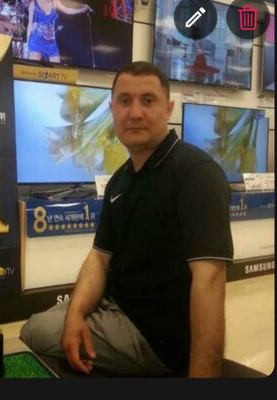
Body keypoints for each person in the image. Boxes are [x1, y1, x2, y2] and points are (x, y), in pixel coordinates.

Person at [20, 61, 234, 377]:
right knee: (55, 321)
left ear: (168, 108)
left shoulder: (196, 174)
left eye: (148, 100)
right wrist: (76, 314)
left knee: (33, 331)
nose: (135, 113)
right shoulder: (121, 180)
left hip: (155, 337)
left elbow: (210, 280)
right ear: (112, 110)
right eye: (124, 101)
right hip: (117, 305)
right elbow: (99, 258)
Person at [26, 0, 92, 62]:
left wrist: (80, 10)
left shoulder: (55, 2)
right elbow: (30, 24)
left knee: (56, 68)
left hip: (51, 43)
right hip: (37, 41)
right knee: (34, 67)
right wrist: (27, 45)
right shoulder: (33, 4)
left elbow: (67, 10)